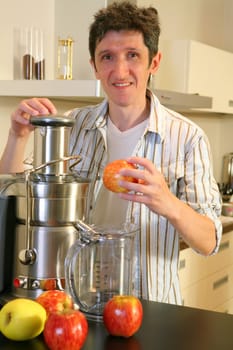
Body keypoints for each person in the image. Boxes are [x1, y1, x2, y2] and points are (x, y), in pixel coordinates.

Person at [0, 1, 222, 304]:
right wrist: (17, 135)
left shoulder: (188, 138)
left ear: (153, 62)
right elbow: (13, 192)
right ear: (94, 65)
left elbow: (209, 242)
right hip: (73, 301)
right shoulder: (73, 125)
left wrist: (168, 203)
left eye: (132, 55)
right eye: (107, 57)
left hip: (149, 306)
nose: (119, 71)